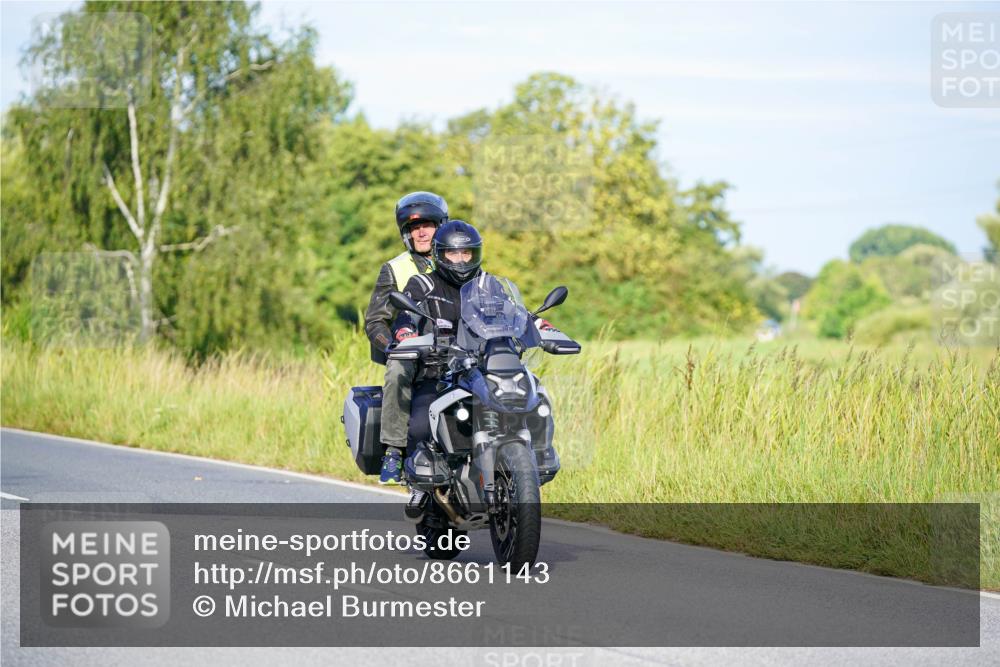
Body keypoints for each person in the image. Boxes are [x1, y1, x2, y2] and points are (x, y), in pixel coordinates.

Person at [391, 220, 555, 517]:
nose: (461, 260)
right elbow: (405, 315)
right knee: (418, 422)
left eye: (467, 253)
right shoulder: (423, 285)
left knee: (536, 397)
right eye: (454, 254)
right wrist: (405, 333)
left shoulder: (489, 284)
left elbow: (514, 313)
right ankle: (419, 486)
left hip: (486, 368)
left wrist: (539, 325)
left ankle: (535, 458)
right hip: (440, 372)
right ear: (441, 255)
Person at [364, 192, 447, 485]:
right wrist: (392, 346)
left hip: (456, 349)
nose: (421, 232)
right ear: (406, 233)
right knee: (398, 367)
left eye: (428, 224)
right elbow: (375, 320)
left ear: (441, 226)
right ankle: (394, 449)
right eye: (414, 227)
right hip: (414, 350)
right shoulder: (395, 268)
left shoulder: (458, 258)